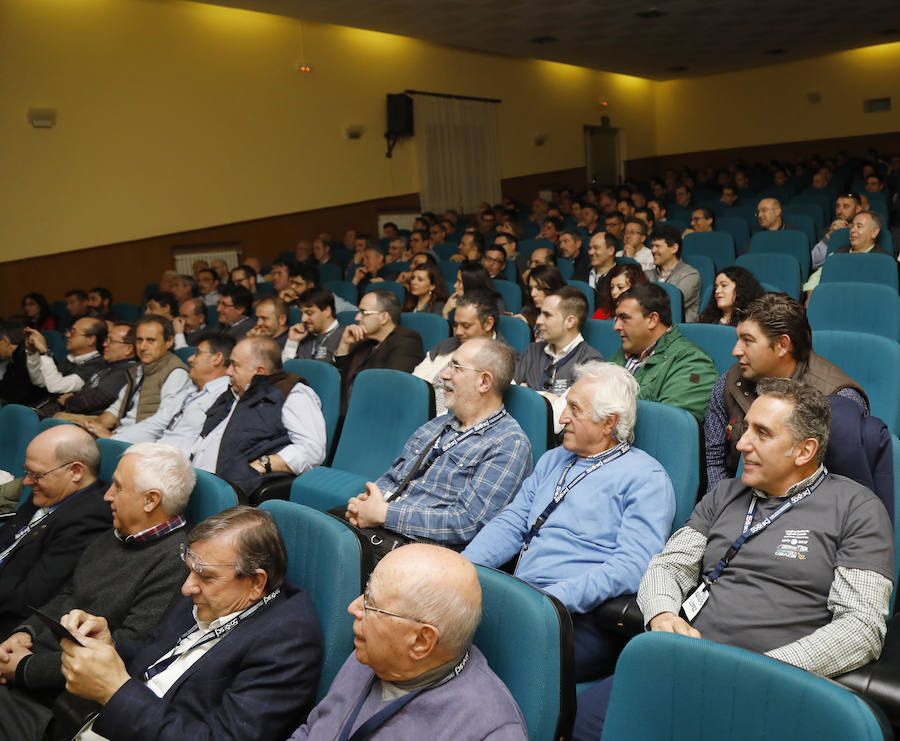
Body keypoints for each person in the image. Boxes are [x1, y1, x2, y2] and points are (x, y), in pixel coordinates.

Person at [573, 380, 894, 739]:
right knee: (583, 723)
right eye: (745, 428)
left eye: (762, 433)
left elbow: (862, 626)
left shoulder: (858, 508)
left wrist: (764, 670)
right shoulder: (726, 494)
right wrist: (662, 612)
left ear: (804, 451)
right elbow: (670, 565)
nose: (741, 444)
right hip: (684, 662)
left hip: (770, 686)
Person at [464, 362, 675, 681]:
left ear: (608, 422)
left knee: (479, 664)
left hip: (580, 618)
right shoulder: (553, 460)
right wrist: (462, 570)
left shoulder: (646, 478)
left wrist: (552, 600)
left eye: (574, 409)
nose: (562, 418)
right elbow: (511, 524)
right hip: (523, 600)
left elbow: (632, 566)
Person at [58, 507, 324, 741]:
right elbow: (150, 654)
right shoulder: (212, 593)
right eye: (190, 570)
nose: (187, 587)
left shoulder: (289, 643)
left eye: (206, 576)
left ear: (256, 583)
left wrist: (115, 692)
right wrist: (108, 646)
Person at [0, 443, 193, 740]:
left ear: (150, 500)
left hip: (58, 705)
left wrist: (26, 668)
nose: (106, 495)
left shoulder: (175, 565)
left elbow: (124, 652)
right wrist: (24, 633)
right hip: (31, 670)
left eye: (117, 486)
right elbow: (69, 595)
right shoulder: (115, 535)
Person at [288, 544, 527, 740]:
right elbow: (313, 730)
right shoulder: (371, 654)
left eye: (371, 603)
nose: (353, 608)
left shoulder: (490, 730)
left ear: (421, 641)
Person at [340, 339, 532, 554]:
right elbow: (393, 478)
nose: (444, 375)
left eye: (456, 367)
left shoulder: (508, 444)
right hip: (381, 528)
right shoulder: (437, 425)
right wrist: (365, 504)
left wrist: (384, 514)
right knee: (321, 530)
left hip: (420, 553)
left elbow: (467, 523)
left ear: (484, 382)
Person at [705, 293, 867, 490]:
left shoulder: (839, 400)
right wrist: (723, 508)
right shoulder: (729, 382)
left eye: (747, 341)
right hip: (738, 503)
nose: (736, 350)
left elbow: (844, 489)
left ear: (782, 345)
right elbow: (715, 459)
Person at [0, 426, 110, 637]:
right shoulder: (49, 493)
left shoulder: (90, 518)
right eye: (27, 472)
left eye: (35, 474)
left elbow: (30, 598)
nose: (26, 481)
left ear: (76, 471)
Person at [191, 337, 326, 497]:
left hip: (233, 493)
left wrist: (264, 464)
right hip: (195, 483)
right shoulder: (231, 393)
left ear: (259, 371)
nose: (228, 371)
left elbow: (312, 450)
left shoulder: (292, 393)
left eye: (235, 365)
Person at [610, 283, 718, 423]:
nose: (616, 327)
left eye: (624, 318)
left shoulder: (692, 362)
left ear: (652, 320)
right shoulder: (623, 353)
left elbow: (669, 426)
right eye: (616, 319)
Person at [108, 334, 233, 449]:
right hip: (155, 452)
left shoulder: (224, 396)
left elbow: (197, 446)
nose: (190, 359)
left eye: (198, 353)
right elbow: (154, 425)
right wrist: (113, 441)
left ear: (217, 359)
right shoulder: (190, 391)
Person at [77, 315, 192, 436]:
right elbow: (116, 409)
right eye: (139, 340)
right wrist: (93, 428)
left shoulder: (176, 374)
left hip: (142, 444)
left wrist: (112, 438)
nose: (143, 347)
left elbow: (163, 424)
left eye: (151, 340)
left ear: (169, 342)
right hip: (120, 435)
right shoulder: (138, 369)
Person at [413, 291, 514, 416]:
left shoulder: (503, 360)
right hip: (419, 414)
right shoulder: (445, 346)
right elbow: (414, 384)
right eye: (456, 325)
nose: (458, 332)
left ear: (488, 323)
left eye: (466, 326)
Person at [335, 291, 424, 410]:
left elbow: (393, 386)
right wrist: (344, 344)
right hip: (344, 411)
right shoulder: (365, 342)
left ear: (384, 317)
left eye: (364, 312)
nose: (357, 317)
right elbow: (339, 380)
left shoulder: (407, 340)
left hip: (372, 411)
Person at [515, 287, 604, 397]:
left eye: (547, 315)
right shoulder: (532, 350)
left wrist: (530, 394)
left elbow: (573, 408)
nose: (538, 321)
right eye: (540, 314)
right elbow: (513, 392)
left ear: (570, 322)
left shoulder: (591, 361)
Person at [47, 321, 136, 419]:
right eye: (106, 339)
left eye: (112, 341)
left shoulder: (125, 372)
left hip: (79, 422)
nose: (105, 344)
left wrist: (68, 400)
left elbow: (92, 400)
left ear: (128, 349)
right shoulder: (109, 364)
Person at [23, 317, 108, 403]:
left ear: (90, 340)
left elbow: (56, 387)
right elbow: (40, 381)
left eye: (73, 332)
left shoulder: (96, 365)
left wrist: (45, 352)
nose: (67, 335)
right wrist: (32, 353)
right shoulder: (72, 359)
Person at [804, 211, 890, 295]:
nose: (852, 230)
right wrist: (811, 296)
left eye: (859, 226)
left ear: (874, 232)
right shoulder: (838, 254)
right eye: (852, 226)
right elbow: (816, 278)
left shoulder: (884, 260)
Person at [649, 224, 702, 323]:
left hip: (677, 332)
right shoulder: (647, 274)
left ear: (674, 248)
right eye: (652, 246)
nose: (653, 250)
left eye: (657, 246)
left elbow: (670, 304)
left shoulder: (690, 275)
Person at [283, 286, 343, 364]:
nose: (303, 319)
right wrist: (292, 342)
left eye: (309, 313)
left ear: (327, 311)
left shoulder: (344, 337)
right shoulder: (302, 337)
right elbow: (285, 371)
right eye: (302, 313)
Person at [810, 192, 863, 270]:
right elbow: (813, 262)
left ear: (857, 209)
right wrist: (829, 236)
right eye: (837, 207)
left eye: (846, 206)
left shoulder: (865, 232)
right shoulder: (826, 231)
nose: (839, 211)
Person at [697, 266, 764, 326]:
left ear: (740, 289)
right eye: (716, 287)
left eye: (724, 285)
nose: (717, 291)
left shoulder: (752, 323)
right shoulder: (707, 321)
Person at [0, 321, 45, 406]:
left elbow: (19, 394)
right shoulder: (17, 355)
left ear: (5, 341)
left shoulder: (27, 357)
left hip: (32, 409)